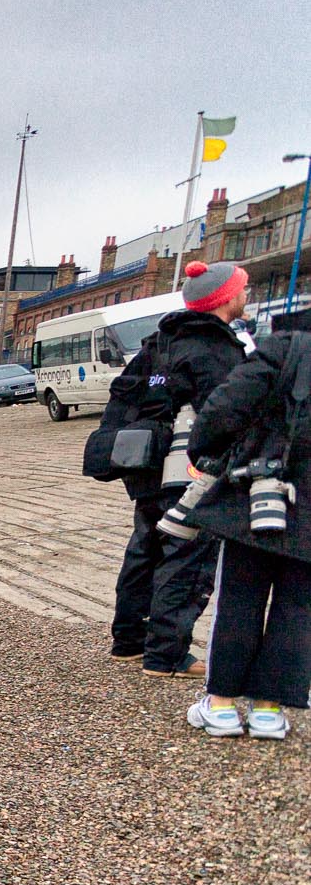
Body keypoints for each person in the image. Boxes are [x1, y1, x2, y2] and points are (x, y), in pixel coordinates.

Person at [109, 260, 250, 677]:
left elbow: (125, 391)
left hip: (149, 464)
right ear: (225, 298)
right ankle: (167, 654)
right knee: (187, 557)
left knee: (145, 549)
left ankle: (129, 641)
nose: (247, 295)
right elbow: (225, 412)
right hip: (190, 470)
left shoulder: (161, 341)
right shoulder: (215, 348)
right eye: (243, 289)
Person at [179, 311, 310, 740]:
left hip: (261, 492)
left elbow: (224, 408)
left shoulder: (284, 347)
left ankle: (220, 705)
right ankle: (269, 711)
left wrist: (206, 455)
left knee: (240, 596)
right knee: (298, 606)